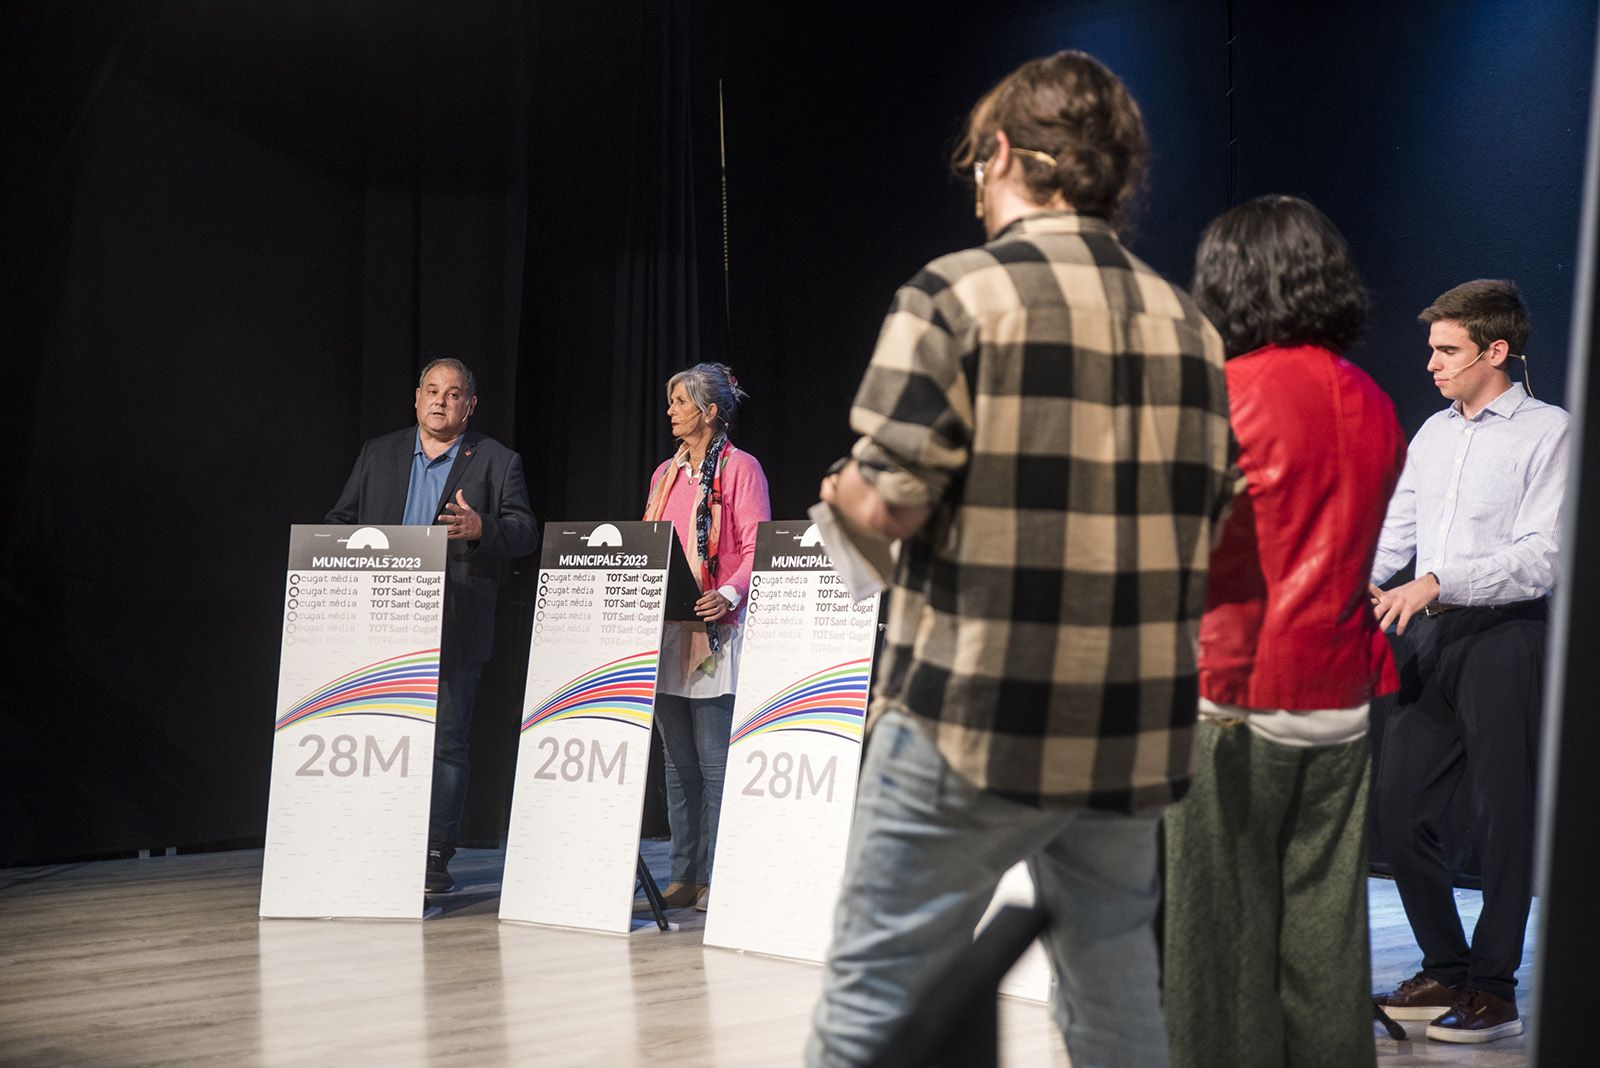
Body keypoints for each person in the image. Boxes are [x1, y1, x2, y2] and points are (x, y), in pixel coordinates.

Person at [808, 52, 1233, 1067]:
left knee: (875, 999)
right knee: (1117, 991)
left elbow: (887, 500)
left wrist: (838, 497)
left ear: (1000, 151)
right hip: (1130, 728)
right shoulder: (1192, 329)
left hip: (973, 715)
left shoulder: (956, 294)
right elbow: (1200, 528)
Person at [1160, 196, 1406, 1067]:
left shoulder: (1228, 394)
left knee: (1212, 946)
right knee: (1326, 944)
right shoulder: (1374, 400)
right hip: (1341, 693)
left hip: (1234, 694)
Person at [1369, 280, 1567, 1043]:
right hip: (1432, 635)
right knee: (1395, 804)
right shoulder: (1434, 432)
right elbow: (1398, 531)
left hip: (1506, 636)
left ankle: (1494, 987)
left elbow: (1542, 557)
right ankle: (1445, 965)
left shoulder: (1550, 432)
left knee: (1502, 815)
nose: (1431, 363)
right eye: (1429, 349)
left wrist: (1439, 582)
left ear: (1495, 351)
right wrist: (1361, 581)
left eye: (1446, 350)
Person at [327, 358, 539, 893]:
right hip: (381, 619)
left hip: (456, 622)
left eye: (454, 393)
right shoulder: (380, 453)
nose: (441, 401)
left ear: (470, 405)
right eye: (432, 390)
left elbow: (524, 532)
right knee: (377, 734)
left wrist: (480, 526)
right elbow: (341, 521)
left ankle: (434, 855)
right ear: (416, 398)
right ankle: (371, 841)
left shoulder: (495, 461)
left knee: (446, 740)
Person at [643, 362, 770, 911]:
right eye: (670, 401)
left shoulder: (741, 469)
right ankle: (683, 874)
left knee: (714, 760)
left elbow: (755, 548)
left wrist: (730, 594)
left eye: (680, 402)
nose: (670, 410)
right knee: (677, 763)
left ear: (710, 411)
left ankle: (718, 876)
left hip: (717, 629)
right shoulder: (663, 475)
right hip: (669, 631)